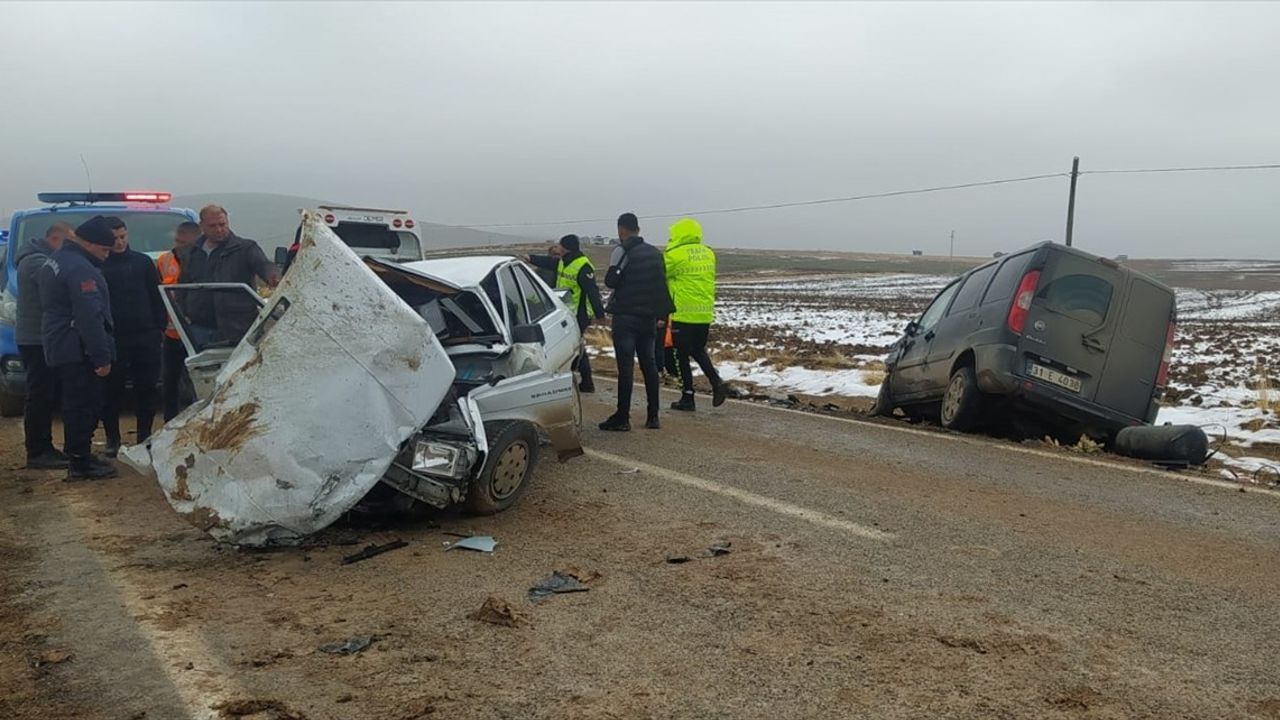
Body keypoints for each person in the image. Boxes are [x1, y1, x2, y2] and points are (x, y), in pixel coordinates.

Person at [40, 216, 118, 480]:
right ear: (90, 243)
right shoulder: (81, 269)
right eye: (105, 249)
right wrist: (101, 357)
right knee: (84, 404)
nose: (107, 256)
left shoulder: (58, 259)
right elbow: (89, 316)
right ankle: (81, 461)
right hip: (77, 346)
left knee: (75, 402)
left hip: (61, 342)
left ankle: (79, 456)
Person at [599, 213, 674, 431]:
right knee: (649, 365)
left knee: (626, 368)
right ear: (638, 229)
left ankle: (622, 418)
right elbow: (661, 286)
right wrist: (661, 315)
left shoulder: (621, 251)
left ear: (621, 230)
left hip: (625, 317)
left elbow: (611, 281)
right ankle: (653, 416)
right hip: (648, 319)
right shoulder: (655, 253)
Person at [99, 217, 166, 457]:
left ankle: (144, 437)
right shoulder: (98, 265)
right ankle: (112, 438)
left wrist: (159, 325)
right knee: (110, 391)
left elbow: (156, 295)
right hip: (114, 337)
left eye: (122, 236)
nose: (119, 242)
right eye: (114, 238)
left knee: (146, 389)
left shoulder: (143, 262)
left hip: (145, 335)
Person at [13, 222, 74, 469]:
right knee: (40, 395)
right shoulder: (38, 262)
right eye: (68, 242)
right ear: (55, 238)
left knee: (44, 394)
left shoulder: (35, 259)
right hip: (36, 338)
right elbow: (57, 288)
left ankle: (43, 447)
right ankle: (38, 451)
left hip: (37, 336)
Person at [179, 204, 280, 348]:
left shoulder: (246, 248)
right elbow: (182, 285)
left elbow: (263, 264)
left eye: (222, 224)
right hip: (199, 328)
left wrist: (273, 276)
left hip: (236, 328)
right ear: (201, 226)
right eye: (213, 226)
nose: (219, 229)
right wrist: (183, 314)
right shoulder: (191, 252)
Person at [527, 234, 606, 392]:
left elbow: (593, 292)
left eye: (560, 246)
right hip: (565, 312)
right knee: (572, 346)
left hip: (579, 314)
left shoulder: (583, 266)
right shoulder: (564, 262)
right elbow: (549, 262)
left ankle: (585, 381)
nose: (558, 249)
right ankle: (581, 380)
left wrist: (600, 315)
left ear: (566, 248)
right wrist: (530, 258)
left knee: (575, 346)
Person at [664, 218, 727, 411]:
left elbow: (661, 274)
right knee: (698, 350)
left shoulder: (674, 255)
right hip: (703, 314)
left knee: (679, 355)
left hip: (682, 314)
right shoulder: (708, 253)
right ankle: (716, 382)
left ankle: (688, 396)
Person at [158, 221, 199, 421]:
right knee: (170, 384)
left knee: (196, 385)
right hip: (171, 333)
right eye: (178, 240)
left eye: (184, 241)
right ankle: (169, 424)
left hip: (198, 333)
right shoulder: (164, 260)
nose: (180, 245)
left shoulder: (205, 259)